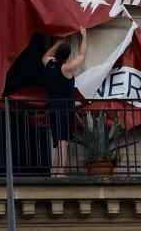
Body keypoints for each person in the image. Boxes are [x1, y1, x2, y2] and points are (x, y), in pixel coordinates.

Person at [41, 28, 88, 175]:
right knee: (63, 143)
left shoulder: (48, 64)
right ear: (67, 56)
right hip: (64, 110)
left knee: (57, 144)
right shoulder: (66, 68)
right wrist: (84, 36)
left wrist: (60, 41)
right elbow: (82, 55)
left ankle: (54, 173)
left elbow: (46, 55)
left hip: (52, 109)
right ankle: (60, 173)